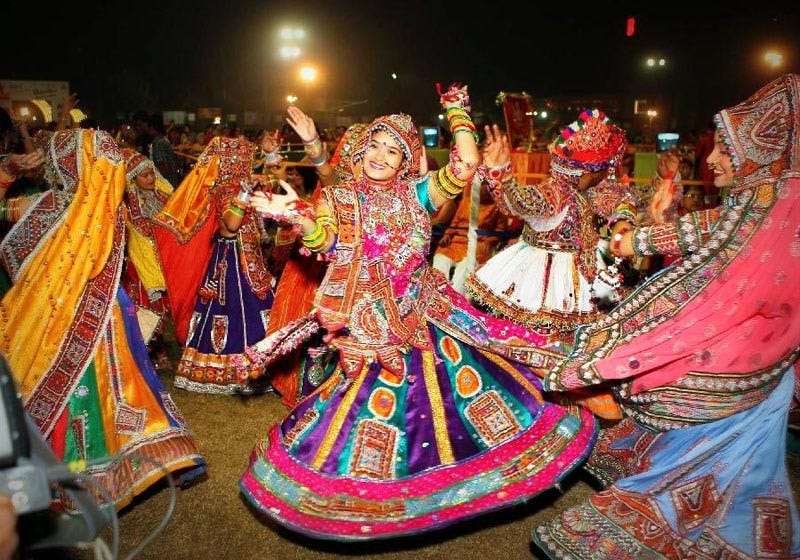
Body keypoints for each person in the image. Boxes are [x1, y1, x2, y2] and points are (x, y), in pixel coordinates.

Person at [237, 84, 597, 540]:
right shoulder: (342, 198)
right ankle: (365, 500)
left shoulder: (419, 194)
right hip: (372, 329)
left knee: (447, 403)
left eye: (393, 150)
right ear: (362, 149)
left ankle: (441, 488)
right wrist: (301, 218)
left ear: (405, 161)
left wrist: (456, 111)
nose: (380, 156)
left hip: (425, 316)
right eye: (374, 145)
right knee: (369, 413)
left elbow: (466, 164)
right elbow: (328, 242)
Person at [533, 73, 800, 559]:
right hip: (763, 373)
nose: (712, 159)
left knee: (703, 463)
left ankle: (649, 531)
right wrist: (634, 235)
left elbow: (715, 248)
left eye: (727, 151)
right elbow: (704, 229)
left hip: (736, 370)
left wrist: (631, 249)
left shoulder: (773, 208)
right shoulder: (764, 205)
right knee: (745, 472)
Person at [0, 128, 205, 509]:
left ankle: (72, 473)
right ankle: (122, 462)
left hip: (57, 317)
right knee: (114, 389)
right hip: (107, 309)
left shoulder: (49, 205)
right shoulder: (107, 205)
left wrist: (7, 174)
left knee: (81, 391)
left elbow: (11, 238)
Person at [465, 110, 636, 341]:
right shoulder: (557, 193)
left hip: (582, 275)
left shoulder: (587, 191)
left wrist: (626, 216)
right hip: (545, 284)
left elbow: (621, 200)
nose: (608, 175)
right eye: (606, 169)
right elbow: (518, 202)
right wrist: (501, 175)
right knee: (538, 342)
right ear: (588, 172)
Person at [153, 133, 276, 394]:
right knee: (235, 312)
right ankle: (231, 370)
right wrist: (244, 193)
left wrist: (270, 157)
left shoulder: (240, 187)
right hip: (232, 262)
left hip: (250, 261)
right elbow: (231, 225)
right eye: (243, 160)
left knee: (258, 310)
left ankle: (262, 368)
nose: (246, 163)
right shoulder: (226, 191)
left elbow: (272, 191)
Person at [119, 148, 174, 367]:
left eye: (152, 173)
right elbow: (139, 228)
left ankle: (158, 350)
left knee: (163, 308)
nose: (151, 178)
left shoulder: (162, 195)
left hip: (162, 259)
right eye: (145, 175)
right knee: (144, 307)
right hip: (141, 263)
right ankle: (147, 353)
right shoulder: (129, 202)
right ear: (133, 178)